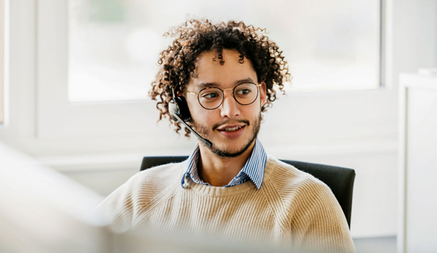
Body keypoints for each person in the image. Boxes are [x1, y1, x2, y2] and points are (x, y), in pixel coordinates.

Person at [98, 19, 355, 252]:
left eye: (243, 91)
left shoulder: (309, 203)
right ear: (182, 106)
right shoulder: (143, 193)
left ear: (262, 94)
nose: (230, 111)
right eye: (210, 95)